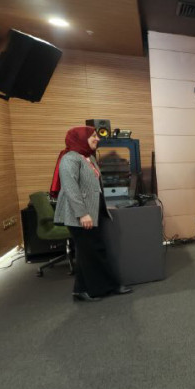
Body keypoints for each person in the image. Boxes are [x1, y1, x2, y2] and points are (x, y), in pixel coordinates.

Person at [51, 126, 132, 301]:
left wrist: (102, 207)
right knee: (95, 251)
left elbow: (95, 187)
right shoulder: (69, 159)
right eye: (93, 136)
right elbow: (71, 189)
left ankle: (80, 290)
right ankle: (107, 287)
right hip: (79, 215)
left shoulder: (89, 157)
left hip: (93, 212)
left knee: (87, 252)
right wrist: (82, 214)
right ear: (80, 138)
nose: (97, 139)